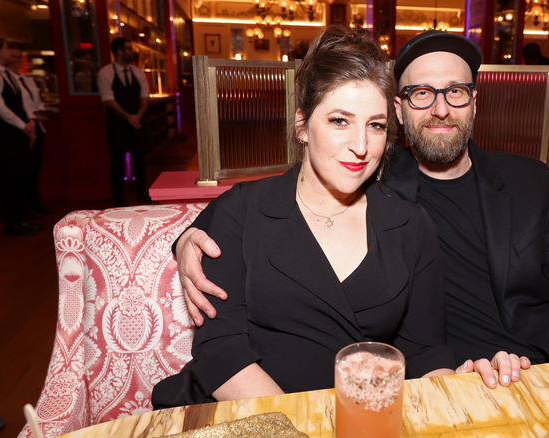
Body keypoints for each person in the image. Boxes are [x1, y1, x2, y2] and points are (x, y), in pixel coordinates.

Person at [175, 30, 549, 387]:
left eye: (456, 91)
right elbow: (251, 215)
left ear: (475, 101)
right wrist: (185, 240)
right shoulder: (383, 178)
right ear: (401, 110)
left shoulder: (524, 181)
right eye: (422, 93)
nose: (441, 108)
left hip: (531, 371)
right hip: (443, 379)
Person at [152, 25, 461, 407]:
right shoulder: (243, 210)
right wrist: (298, 429)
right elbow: (221, 353)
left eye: (376, 126)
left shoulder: (410, 224)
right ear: (302, 125)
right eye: (339, 121)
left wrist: (454, 412)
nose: (361, 146)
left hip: (358, 421)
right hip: (248, 418)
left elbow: (426, 352)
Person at [0, 37, 42, 236]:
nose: (11, 51)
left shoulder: (6, 73)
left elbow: (23, 101)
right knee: (9, 176)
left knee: (20, 174)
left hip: (19, 128)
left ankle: (20, 217)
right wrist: (23, 125)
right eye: (7, 47)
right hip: (6, 130)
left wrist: (30, 121)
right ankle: (13, 222)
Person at [97, 37, 150, 206]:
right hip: (117, 123)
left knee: (140, 159)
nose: (131, 51)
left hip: (138, 121)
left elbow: (144, 96)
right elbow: (108, 100)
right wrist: (129, 117)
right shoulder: (106, 73)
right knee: (118, 160)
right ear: (119, 51)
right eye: (128, 48)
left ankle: (142, 192)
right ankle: (118, 197)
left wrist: (138, 116)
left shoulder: (138, 72)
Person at [6, 44, 53, 217]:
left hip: (36, 126)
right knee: (21, 170)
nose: (17, 60)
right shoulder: (6, 79)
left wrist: (38, 113)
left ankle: (34, 203)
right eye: (14, 57)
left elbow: (37, 101)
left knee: (34, 168)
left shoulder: (27, 80)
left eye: (20, 57)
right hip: (20, 129)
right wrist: (31, 118)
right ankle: (22, 208)